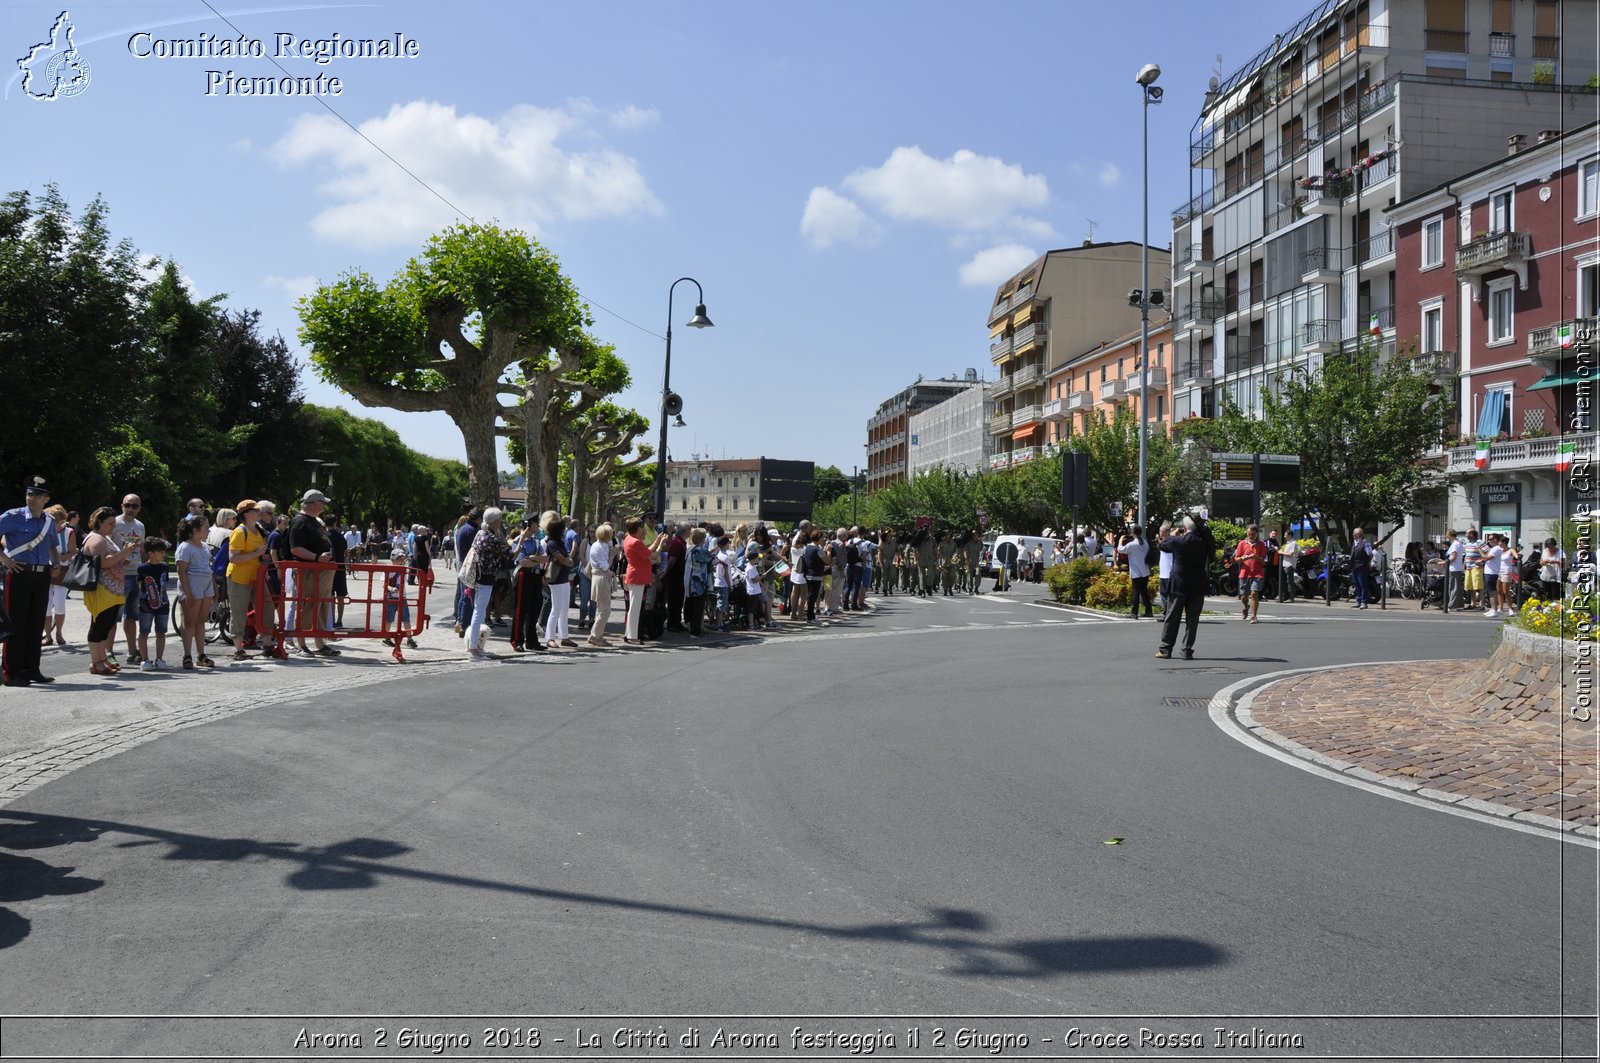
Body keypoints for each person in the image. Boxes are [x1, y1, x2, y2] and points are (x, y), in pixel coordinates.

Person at [1, 476, 61, 685]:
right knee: (16, 623)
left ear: (46, 498)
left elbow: (52, 545)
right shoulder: (12, 516)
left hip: (41, 574)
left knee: (36, 623)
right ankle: (11, 672)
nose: (31, 498)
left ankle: (31, 669)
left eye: (37, 495)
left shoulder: (49, 521)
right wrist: (6, 560)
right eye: (29, 494)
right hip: (19, 573)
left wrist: (56, 562)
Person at [81, 506, 137, 677]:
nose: (113, 526)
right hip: (102, 590)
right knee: (99, 625)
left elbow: (112, 560)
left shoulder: (105, 538)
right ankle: (96, 662)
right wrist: (124, 552)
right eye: (110, 523)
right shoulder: (96, 539)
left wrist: (122, 559)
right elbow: (104, 563)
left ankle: (102, 658)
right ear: (99, 522)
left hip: (112, 590)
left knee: (106, 625)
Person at [287, 490, 339, 659]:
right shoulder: (300, 521)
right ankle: (301, 645)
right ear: (314, 503)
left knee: (320, 605)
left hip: (321, 571)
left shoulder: (313, 521)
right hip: (309, 571)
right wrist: (317, 558)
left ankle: (320, 644)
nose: (324, 506)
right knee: (307, 605)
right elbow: (295, 548)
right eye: (322, 503)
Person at [1156, 514, 1215, 660]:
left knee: (1172, 617)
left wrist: (1171, 535)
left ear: (1184, 528)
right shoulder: (1204, 542)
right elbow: (1211, 550)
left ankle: (1165, 648)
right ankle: (1187, 650)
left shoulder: (1178, 540)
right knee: (1192, 620)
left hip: (1179, 585)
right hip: (1198, 585)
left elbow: (1162, 545)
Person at [226, 501, 276, 662]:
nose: (259, 512)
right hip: (239, 578)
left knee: (267, 606)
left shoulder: (259, 530)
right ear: (246, 513)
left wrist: (263, 557)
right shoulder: (239, 532)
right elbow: (233, 558)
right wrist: (256, 554)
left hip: (258, 576)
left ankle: (267, 644)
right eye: (255, 510)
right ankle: (239, 649)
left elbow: (260, 553)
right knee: (239, 612)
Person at [464, 508, 513, 661]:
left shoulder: (481, 533)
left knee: (478, 611)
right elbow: (510, 553)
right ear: (495, 521)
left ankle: (476, 648)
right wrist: (522, 539)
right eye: (499, 520)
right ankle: (473, 650)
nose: (501, 522)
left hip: (480, 576)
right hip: (485, 577)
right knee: (479, 612)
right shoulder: (491, 537)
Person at [175, 515, 215, 672]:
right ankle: (187, 655)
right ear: (196, 530)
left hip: (206, 583)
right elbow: (181, 571)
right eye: (205, 527)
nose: (208, 530)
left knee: (201, 620)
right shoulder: (185, 547)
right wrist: (187, 592)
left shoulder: (204, 546)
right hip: (192, 583)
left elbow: (208, 567)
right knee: (189, 621)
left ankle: (201, 654)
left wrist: (214, 587)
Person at [113, 493, 146, 666]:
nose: (131, 509)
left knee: (132, 616)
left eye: (135, 506)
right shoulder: (114, 523)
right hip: (118, 575)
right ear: (122, 506)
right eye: (128, 505)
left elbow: (141, 551)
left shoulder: (140, 526)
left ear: (139, 508)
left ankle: (132, 651)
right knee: (113, 616)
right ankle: (108, 651)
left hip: (135, 573)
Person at [135, 536, 175, 670]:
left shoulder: (164, 567)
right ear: (150, 553)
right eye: (160, 551)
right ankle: (145, 659)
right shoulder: (142, 568)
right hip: (146, 604)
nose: (164, 554)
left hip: (163, 604)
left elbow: (165, 583)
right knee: (144, 631)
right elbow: (140, 585)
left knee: (161, 632)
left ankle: (159, 658)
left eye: (164, 551)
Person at [621, 518, 661, 646]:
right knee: (635, 608)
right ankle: (632, 636)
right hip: (637, 576)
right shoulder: (635, 542)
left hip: (634, 575)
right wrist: (660, 544)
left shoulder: (629, 538)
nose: (643, 529)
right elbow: (653, 556)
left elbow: (647, 551)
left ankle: (629, 634)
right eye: (641, 527)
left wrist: (657, 541)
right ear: (637, 529)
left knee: (633, 607)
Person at [509, 518, 545, 652]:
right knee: (520, 610)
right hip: (523, 575)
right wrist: (536, 559)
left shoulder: (536, 541)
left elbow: (545, 558)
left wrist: (532, 559)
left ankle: (532, 640)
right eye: (536, 523)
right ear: (529, 526)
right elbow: (522, 562)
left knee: (535, 609)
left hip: (535, 575)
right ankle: (516, 640)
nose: (538, 526)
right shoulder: (518, 541)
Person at [543, 514, 577, 649]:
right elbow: (561, 558)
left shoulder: (559, 542)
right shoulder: (551, 543)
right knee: (556, 609)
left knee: (564, 610)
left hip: (563, 578)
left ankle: (564, 637)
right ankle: (550, 637)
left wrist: (567, 560)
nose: (564, 531)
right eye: (562, 529)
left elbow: (566, 557)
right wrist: (568, 561)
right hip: (555, 580)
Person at [380, 548, 419, 650]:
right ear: (393, 559)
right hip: (391, 597)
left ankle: (409, 638)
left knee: (406, 618)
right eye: (399, 558)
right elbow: (384, 584)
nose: (402, 561)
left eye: (403, 558)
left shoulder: (403, 570)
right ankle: (386, 637)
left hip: (402, 597)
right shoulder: (387, 570)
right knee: (389, 618)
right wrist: (391, 588)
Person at [586, 524, 617, 647]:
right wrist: (613, 554)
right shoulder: (598, 547)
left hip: (602, 578)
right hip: (601, 578)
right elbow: (605, 566)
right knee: (605, 610)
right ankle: (595, 635)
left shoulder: (602, 545)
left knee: (602, 609)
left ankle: (597, 635)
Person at [1234, 524, 1271, 623]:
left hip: (1257, 573)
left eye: (1252, 534)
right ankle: (1246, 606)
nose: (1250, 536)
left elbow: (1264, 561)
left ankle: (1254, 616)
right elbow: (1236, 559)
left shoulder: (1261, 544)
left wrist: (1255, 557)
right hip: (1244, 573)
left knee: (1254, 593)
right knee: (1244, 596)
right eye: (1249, 534)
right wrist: (1242, 558)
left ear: (1256, 534)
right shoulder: (1242, 543)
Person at [1120, 526, 1156, 619]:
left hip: (1136, 572)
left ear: (1133, 533)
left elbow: (1121, 549)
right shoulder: (1145, 543)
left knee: (1136, 592)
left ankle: (1134, 613)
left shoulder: (1132, 545)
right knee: (1144, 592)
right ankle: (1149, 611)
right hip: (1145, 571)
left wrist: (1120, 539)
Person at [684, 527, 713, 637]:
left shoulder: (690, 548)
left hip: (688, 581)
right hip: (698, 584)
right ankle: (695, 632)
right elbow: (712, 560)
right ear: (702, 539)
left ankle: (691, 628)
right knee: (697, 608)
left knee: (690, 606)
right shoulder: (700, 550)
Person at [1348, 526, 1374, 610]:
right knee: (1357, 585)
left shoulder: (1365, 542)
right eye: (1353, 534)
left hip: (1362, 567)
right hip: (1354, 567)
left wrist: (1364, 562)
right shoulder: (1354, 542)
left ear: (1359, 534)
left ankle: (1364, 602)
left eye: (1355, 534)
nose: (1353, 535)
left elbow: (1370, 554)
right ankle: (1358, 601)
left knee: (1363, 585)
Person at [1482, 532, 1505, 618]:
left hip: (1492, 572)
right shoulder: (1493, 549)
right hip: (1489, 571)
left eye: (1491, 539)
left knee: (1492, 591)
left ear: (1495, 540)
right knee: (1490, 591)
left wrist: (1479, 550)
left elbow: (1486, 557)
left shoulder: (1497, 548)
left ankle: (1494, 609)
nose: (1489, 541)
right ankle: (1492, 609)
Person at [1277, 528, 1299, 602]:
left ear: (1290, 536)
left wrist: (1281, 552)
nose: (1284, 536)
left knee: (1290, 581)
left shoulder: (1293, 543)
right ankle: (1285, 596)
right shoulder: (1288, 543)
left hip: (1290, 564)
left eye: (1285, 535)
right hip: (1285, 564)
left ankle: (1291, 597)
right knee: (1284, 581)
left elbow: (1290, 554)